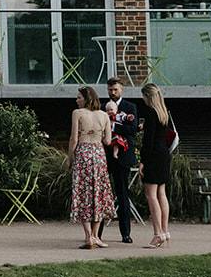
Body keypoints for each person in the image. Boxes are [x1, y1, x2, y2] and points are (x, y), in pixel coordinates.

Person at [69, 85, 116, 250]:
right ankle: (96, 236)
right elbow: (108, 141)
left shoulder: (78, 114)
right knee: (98, 194)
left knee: (83, 194)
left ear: (86, 99)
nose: (77, 100)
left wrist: (70, 157)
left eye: (79, 98)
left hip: (83, 154)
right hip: (99, 155)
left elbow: (74, 139)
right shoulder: (104, 115)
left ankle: (88, 236)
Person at [101, 78, 139, 244]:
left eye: (115, 89)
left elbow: (133, 129)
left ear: (121, 89)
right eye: (110, 90)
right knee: (101, 193)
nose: (112, 92)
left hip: (122, 155)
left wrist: (113, 126)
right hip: (105, 155)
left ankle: (125, 233)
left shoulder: (130, 107)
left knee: (123, 193)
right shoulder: (102, 107)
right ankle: (98, 233)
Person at [138, 82, 175, 248]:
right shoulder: (163, 113)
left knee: (150, 194)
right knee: (162, 193)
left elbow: (148, 141)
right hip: (164, 154)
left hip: (153, 156)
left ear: (148, 96)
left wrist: (142, 161)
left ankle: (157, 233)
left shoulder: (151, 113)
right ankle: (165, 231)